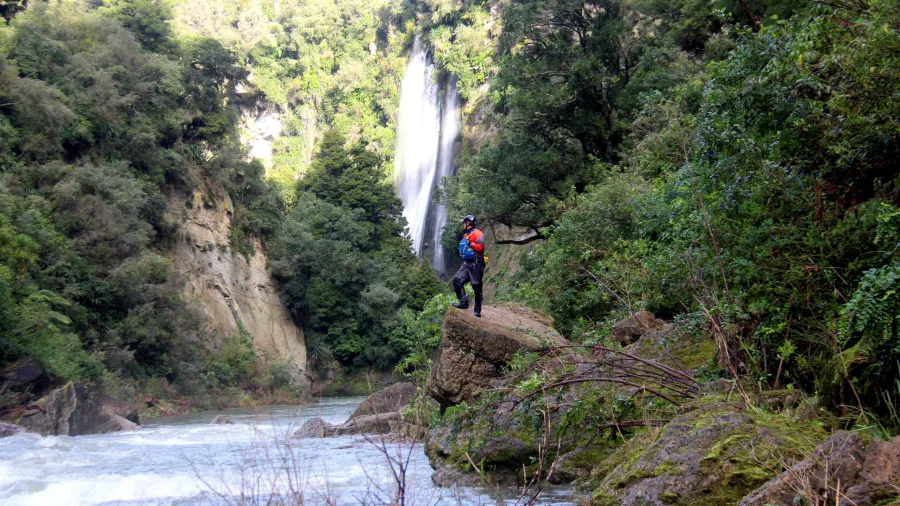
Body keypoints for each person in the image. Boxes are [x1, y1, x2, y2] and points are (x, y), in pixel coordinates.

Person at [451, 214, 485, 317]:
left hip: (476, 263)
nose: (463, 225)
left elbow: (481, 248)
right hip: (467, 263)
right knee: (457, 280)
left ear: (468, 223)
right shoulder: (466, 235)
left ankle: (477, 310)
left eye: (464, 223)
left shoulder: (478, 233)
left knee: (476, 286)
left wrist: (470, 243)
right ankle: (463, 302)